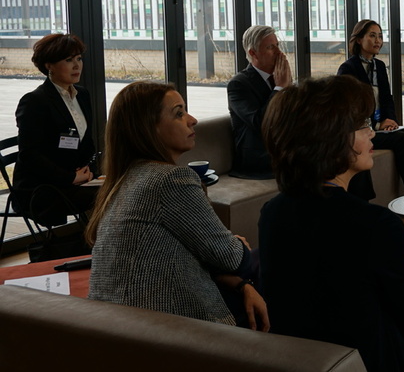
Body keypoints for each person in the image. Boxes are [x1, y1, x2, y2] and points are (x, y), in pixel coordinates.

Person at [259, 75, 404, 371]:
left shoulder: (272, 212)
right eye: (361, 125)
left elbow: (326, 291)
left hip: (300, 358)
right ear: (330, 139)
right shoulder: (377, 223)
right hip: (371, 360)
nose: (371, 133)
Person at [87, 81, 268, 330]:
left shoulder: (123, 180)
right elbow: (233, 258)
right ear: (149, 129)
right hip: (173, 328)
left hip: (120, 326)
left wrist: (240, 282)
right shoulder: (169, 180)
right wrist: (239, 248)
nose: (192, 120)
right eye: (179, 113)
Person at [12, 33, 99, 225]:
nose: (77, 66)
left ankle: (96, 247)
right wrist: (70, 177)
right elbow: (30, 155)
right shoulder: (35, 101)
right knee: (108, 196)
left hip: (74, 180)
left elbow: (87, 143)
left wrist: (89, 170)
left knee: (119, 188)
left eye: (79, 59)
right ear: (48, 65)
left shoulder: (82, 95)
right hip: (41, 188)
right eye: (68, 60)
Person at [337, 20, 404, 194]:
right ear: (358, 39)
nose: (377, 41)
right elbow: (349, 109)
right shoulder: (348, 68)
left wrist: (390, 120)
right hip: (363, 131)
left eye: (380, 36)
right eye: (372, 36)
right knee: (402, 139)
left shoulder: (379, 66)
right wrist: (376, 124)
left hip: (381, 126)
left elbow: (387, 99)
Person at [227, 25, 292, 179]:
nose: (278, 52)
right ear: (252, 53)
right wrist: (280, 89)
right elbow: (260, 122)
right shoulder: (239, 84)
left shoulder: (279, 78)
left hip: (285, 150)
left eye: (277, 46)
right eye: (270, 47)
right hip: (259, 158)